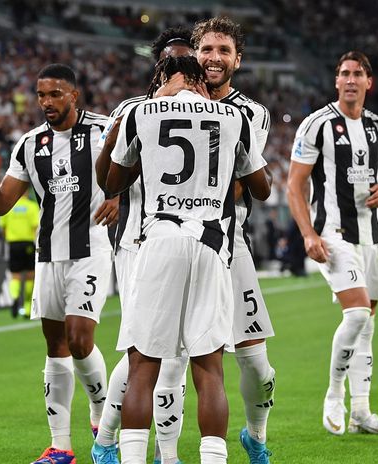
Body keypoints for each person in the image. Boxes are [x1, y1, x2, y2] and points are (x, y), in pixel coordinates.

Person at [104, 55, 270, 464]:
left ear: (163, 78)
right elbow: (262, 189)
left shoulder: (140, 112)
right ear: (200, 80)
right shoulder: (234, 117)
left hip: (159, 238)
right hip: (213, 244)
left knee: (143, 365)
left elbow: (111, 182)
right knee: (209, 368)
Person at [0, 64, 117, 464]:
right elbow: (3, 203)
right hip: (48, 254)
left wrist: (121, 197)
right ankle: (61, 447)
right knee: (55, 345)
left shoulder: (105, 130)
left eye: (55, 94)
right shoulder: (29, 144)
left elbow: (141, 169)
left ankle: (100, 413)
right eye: (41, 95)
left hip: (90, 248)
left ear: (73, 95)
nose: (46, 102)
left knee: (79, 338)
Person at [287, 51, 378, 436]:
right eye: (345, 73)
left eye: (358, 73)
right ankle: (334, 395)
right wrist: (308, 234)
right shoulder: (316, 124)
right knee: (356, 314)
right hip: (334, 235)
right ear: (336, 81)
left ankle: (362, 412)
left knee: (367, 326)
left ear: (369, 82)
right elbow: (294, 185)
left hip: (372, 237)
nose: (351, 79)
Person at [91, 26, 197, 464]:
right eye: (172, 61)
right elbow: (106, 172)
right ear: (158, 67)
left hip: (189, 243)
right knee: (148, 354)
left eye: (187, 62)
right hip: (138, 242)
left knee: (179, 354)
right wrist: (114, 193)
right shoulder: (132, 110)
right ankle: (135, 448)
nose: (181, 69)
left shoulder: (211, 114)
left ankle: (122, 443)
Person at [192, 16, 277, 463]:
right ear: (194, 54)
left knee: (257, 366)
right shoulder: (167, 104)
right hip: (177, 244)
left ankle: (255, 437)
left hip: (230, 243)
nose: (214, 58)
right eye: (207, 49)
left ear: (238, 60)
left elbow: (243, 184)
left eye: (224, 51)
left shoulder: (251, 113)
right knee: (164, 358)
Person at [0, 189, 40, 318]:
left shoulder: (8, 207)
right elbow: (35, 227)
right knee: (30, 275)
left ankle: (15, 297)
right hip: (27, 243)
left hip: (13, 244)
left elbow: (2, 227)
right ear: (26, 193)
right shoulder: (32, 206)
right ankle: (27, 308)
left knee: (15, 275)